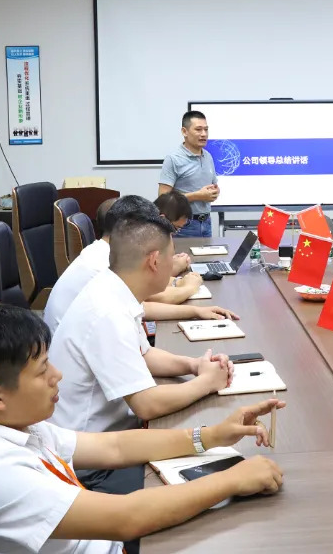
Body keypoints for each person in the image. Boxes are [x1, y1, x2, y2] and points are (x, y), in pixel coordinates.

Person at [0, 303, 284, 554]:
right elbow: (126, 518)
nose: (57, 375)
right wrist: (232, 480)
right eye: (43, 371)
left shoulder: (4, 424)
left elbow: (113, 447)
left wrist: (211, 436)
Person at [50, 212, 238, 443]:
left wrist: (194, 365)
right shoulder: (108, 313)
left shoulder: (113, 289)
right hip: (90, 448)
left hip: (112, 432)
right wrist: (207, 383)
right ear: (154, 261)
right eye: (171, 256)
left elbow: (143, 354)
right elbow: (147, 404)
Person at [43, 196, 233, 333]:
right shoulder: (104, 265)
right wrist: (189, 288)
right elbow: (150, 305)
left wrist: (195, 310)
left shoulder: (105, 252)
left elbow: (141, 305)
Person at [159, 110, 219, 238]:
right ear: (184, 132)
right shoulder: (173, 159)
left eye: (206, 129)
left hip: (206, 222)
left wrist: (214, 192)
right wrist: (197, 196)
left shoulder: (208, 156)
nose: (204, 134)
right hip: (184, 225)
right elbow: (163, 198)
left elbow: (213, 184)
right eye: (198, 129)